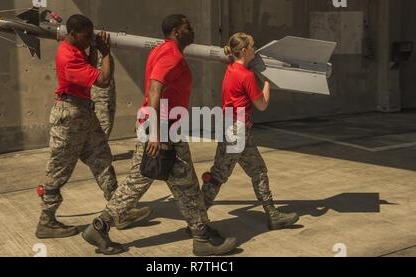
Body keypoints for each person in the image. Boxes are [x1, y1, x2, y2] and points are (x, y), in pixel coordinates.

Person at [81, 14, 238, 256]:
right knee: (174, 183)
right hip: (163, 129)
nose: (192, 30)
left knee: (164, 183)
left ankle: (200, 231)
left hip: (162, 126)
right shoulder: (171, 55)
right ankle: (201, 237)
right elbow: (155, 90)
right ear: (176, 31)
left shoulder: (161, 50)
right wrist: (155, 134)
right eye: (188, 26)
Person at [36, 14, 151, 239]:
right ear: (72, 33)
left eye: (91, 35)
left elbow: (88, 67)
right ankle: (46, 221)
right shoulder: (68, 56)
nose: (90, 40)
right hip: (69, 117)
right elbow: (103, 80)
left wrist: (95, 50)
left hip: (84, 113)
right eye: (86, 36)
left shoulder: (76, 49)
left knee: (103, 161)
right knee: (59, 169)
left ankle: (119, 210)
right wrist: (106, 53)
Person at [201, 32, 300, 230]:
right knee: (218, 176)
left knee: (258, 171)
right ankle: (197, 221)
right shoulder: (245, 76)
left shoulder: (231, 69)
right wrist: (267, 84)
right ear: (245, 50)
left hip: (234, 130)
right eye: (253, 46)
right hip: (236, 132)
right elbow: (262, 105)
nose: (256, 49)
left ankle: (273, 215)